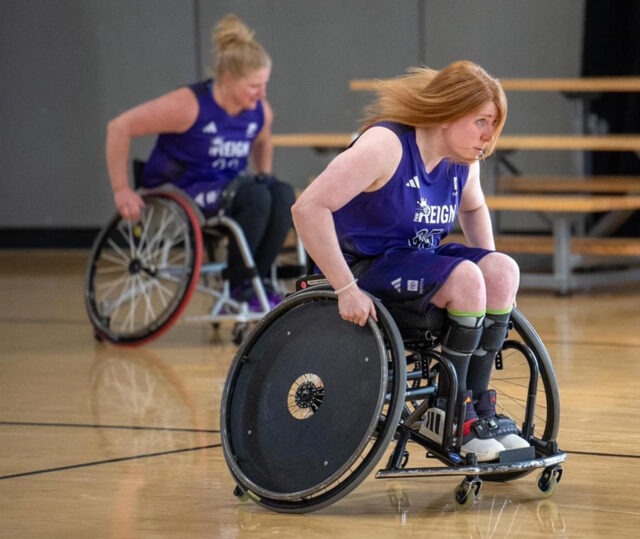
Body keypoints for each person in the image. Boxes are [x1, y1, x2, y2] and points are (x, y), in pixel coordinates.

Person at [292, 60, 529, 462]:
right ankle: (449, 410)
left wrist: (494, 283)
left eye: (493, 125)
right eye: (482, 122)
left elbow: (474, 210)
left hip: (416, 261)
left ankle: (477, 407)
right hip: (365, 266)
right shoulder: (386, 146)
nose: (488, 138)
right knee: (468, 279)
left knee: (502, 270)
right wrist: (345, 288)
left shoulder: (462, 161)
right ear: (450, 113)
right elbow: (307, 208)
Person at [105, 13, 295, 310]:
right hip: (182, 188)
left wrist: (264, 173)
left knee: (281, 194)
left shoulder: (260, 109)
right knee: (255, 196)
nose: (262, 93)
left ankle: (260, 280)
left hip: (229, 188)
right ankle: (239, 285)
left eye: (265, 84)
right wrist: (121, 190)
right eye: (254, 85)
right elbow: (119, 127)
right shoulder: (188, 105)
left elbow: (263, 139)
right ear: (229, 78)